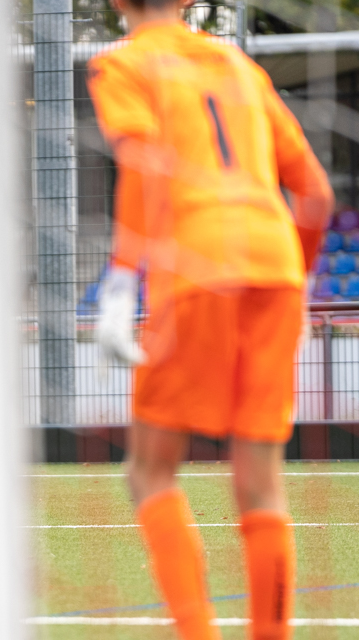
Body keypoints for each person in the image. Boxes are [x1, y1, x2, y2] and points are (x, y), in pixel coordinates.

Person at [87, 1, 334, 638]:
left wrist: (119, 282)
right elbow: (315, 194)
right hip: (275, 268)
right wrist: (296, 286)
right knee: (259, 481)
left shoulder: (127, 64)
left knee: (149, 468)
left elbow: (143, 166)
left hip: (197, 268)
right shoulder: (239, 66)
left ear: (119, 3)